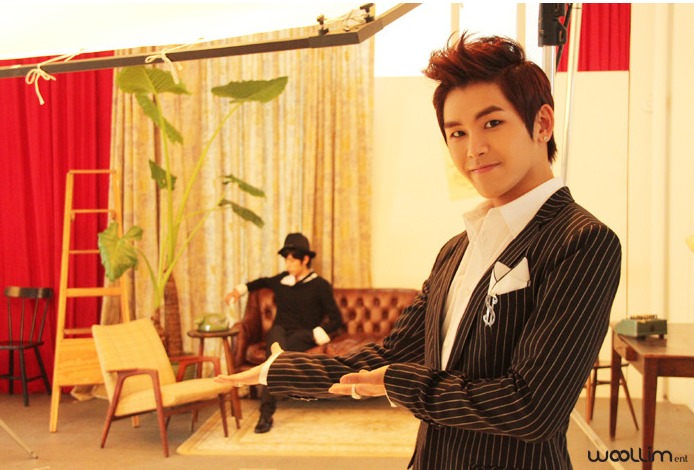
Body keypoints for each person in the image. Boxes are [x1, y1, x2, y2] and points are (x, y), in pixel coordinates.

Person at [217, 33, 621, 469]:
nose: (473, 149)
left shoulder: (583, 241)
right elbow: (392, 353)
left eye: (491, 123)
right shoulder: (456, 251)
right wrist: (276, 370)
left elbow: (532, 407)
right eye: (457, 132)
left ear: (542, 123)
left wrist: (399, 384)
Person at [224, 232, 343, 433]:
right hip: (278, 333)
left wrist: (318, 333)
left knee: (274, 360)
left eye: (291, 260)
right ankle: (267, 411)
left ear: (305, 259)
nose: (287, 264)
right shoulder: (282, 280)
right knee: (275, 350)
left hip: (303, 335)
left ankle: (265, 414)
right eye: (286, 260)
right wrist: (238, 291)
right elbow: (260, 282)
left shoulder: (320, 285)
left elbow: (336, 319)